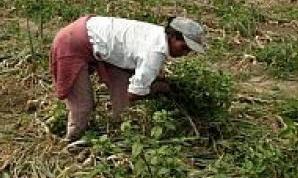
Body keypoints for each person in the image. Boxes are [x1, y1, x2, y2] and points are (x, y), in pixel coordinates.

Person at [50, 15, 205, 141]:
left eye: (189, 51)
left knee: (123, 80)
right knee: (83, 105)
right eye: (184, 47)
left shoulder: (157, 34)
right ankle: (72, 140)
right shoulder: (154, 53)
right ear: (171, 36)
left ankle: (119, 126)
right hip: (71, 42)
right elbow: (133, 94)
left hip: (87, 30)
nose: (185, 54)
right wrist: (157, 88)